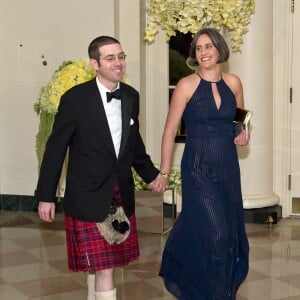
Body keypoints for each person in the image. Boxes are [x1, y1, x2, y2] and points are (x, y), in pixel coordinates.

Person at [35, 36, 167, 300]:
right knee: (104, 267)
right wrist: (46, 196)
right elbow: (55, 149)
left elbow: (133, 145)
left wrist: (152, 175)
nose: (118, 63)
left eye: (121, 56)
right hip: (87, 194)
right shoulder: (75, 99)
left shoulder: (130, 96)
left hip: (119, 191)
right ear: (95, 63)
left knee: (101, 267)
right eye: (110, 58)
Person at [158, 28, 250, 299]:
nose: (204, 52)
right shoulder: (186, 85)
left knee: (227, 228)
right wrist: (164, 170)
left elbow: (241, 121)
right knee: (217, 232)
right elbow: (169, 131)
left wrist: (244, 133)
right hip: (198, 167)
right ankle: (216, 292)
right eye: (198, 48)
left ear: (220, 49)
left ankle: (212, 284)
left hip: (227, 167)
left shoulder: (234, 82)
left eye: (209, 46)